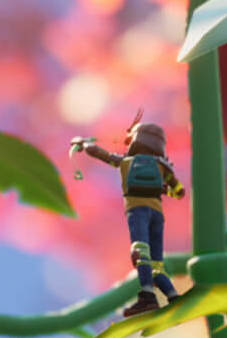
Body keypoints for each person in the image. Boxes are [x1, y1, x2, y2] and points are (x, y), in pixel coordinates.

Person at [70, 114, 187, 317]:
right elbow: (179, 192)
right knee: (157, 265)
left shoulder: (126, 162)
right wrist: (161, 188)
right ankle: (174, 297)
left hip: (137, 211)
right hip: (157, 215)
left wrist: (83, 144)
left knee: (141, 253)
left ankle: (148, 298)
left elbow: (100, 153)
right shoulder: (163, 166)